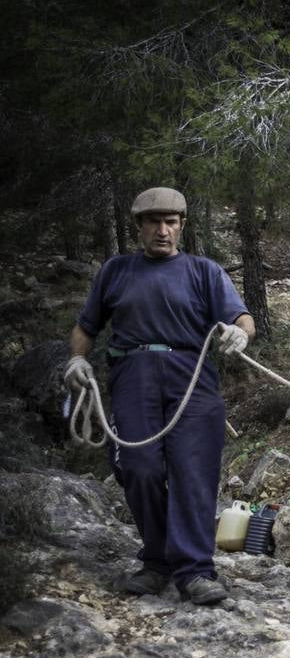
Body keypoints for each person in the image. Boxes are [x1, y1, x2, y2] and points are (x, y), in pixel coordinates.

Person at [63, 187, 255, 605]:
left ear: (182, 226)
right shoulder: (116, 271)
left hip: (193, 376)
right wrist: (77, 360)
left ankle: (194, 571)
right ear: (140, 227)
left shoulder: (204, 271)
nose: (162, 231)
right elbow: (86, 327)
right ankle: (157, 559)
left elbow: (242, 318)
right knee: (139, 466)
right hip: (133, 374)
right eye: (154, 222)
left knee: (193, 472)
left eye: (171, 222)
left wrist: (240, 331)